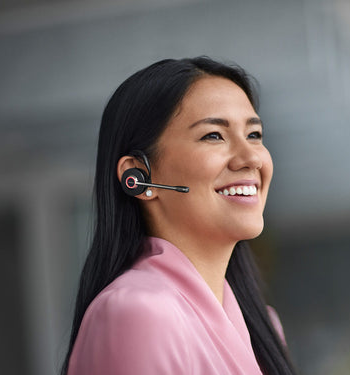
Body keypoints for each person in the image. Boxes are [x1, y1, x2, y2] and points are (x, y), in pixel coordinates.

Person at [61, 57, 296, 375]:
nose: (251, 157)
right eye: (214, 135)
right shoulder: (138, 313)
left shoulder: (262, 326)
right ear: (138, 178)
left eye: (254, 135)